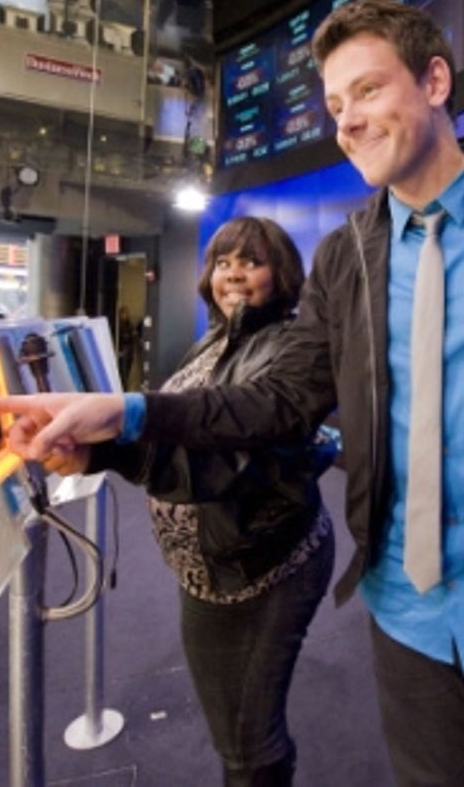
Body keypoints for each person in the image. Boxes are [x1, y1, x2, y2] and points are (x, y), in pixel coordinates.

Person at [0, 0, 464, 785]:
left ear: (435, 81)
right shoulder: (348, 258)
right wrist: (125, 415)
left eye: (368, 90)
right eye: (336, 104)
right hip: (408, 616)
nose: (347, 122)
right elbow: (276, 402)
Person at [61, 217, 337, 787]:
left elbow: (228, 463)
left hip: (261, 571)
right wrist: (96, 453)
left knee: (247, 740)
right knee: (231, 723)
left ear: (281, 273)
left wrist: (117, 439)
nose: (232, 275)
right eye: (223, 263)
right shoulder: (215, 338)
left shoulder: (289, 347)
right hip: (208, 570)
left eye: (251, 262)